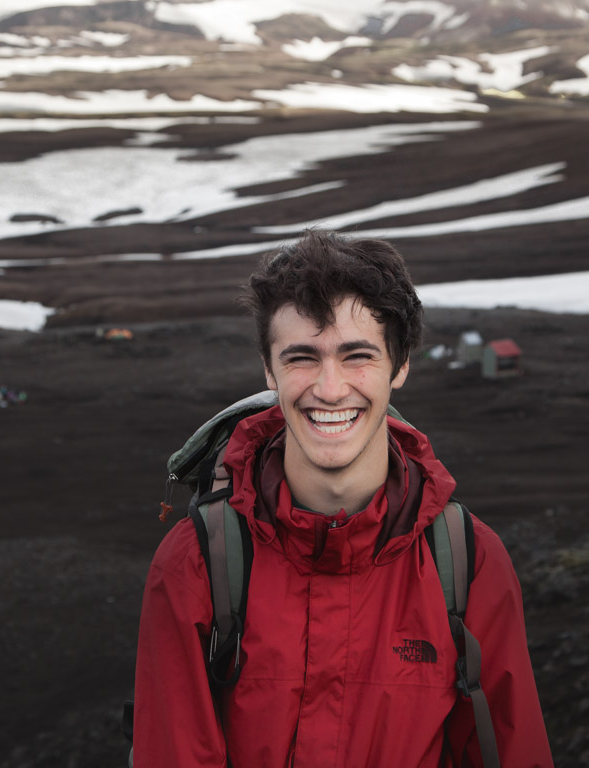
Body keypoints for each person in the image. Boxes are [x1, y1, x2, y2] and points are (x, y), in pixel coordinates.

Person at [132, 230, 553, 767]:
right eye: (302, 357)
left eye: (357, 355)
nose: (330, 389)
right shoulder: (194, 565)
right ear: (269, 370)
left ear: (400, 366)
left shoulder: (470, 565)